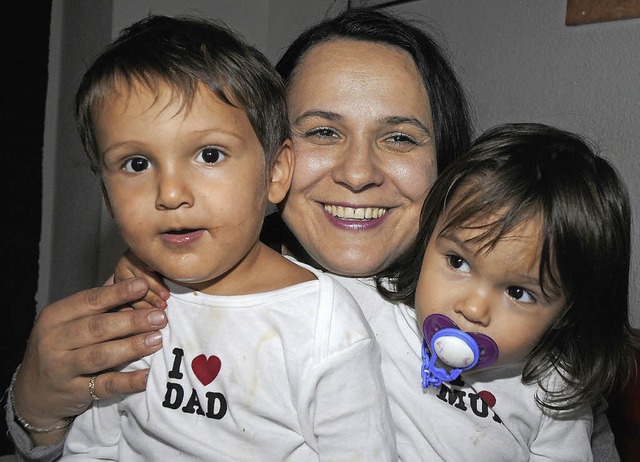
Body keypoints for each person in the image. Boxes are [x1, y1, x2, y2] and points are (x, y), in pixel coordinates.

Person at [6, 6, 619, 461]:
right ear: (270, 162)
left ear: (447, 167)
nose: (357, 173)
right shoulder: (185, 290)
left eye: (400, 136)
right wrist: (33, 404)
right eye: (323, 132)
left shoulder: (530, 344)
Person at [57, 14, 396, 460]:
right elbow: (91, 446)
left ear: (276, 172)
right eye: (137, 164)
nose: (171, 194)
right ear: (106, 192)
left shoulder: (323, 325)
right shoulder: (128, 305)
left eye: (209, 154)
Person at [375, 122, 639, 460]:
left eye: (518, 292)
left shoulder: (554, 394)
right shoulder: (377, 308)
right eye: (458, 262)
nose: (472, 308)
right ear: (427, 237)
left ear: (567, 314)